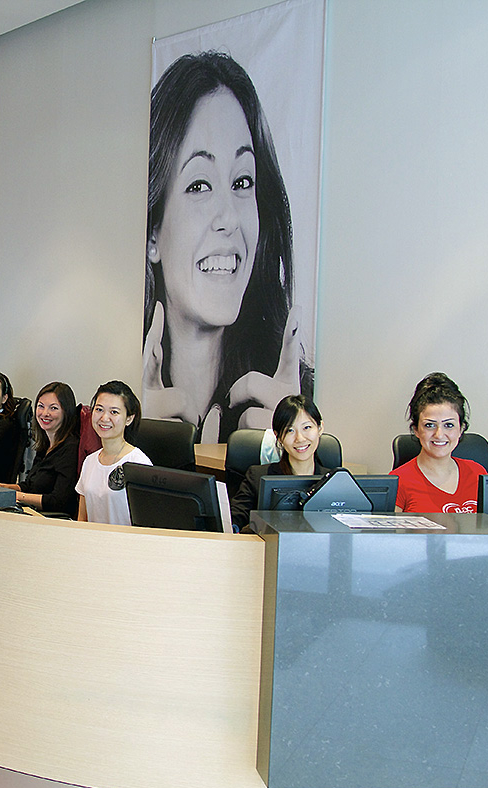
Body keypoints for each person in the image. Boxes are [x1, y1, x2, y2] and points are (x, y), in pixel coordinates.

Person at [142, 51, 312, 443]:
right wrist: (130, 433)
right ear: (153, 235)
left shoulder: (296, 396)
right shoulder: (122, 395)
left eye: (241, 182)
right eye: (199, 185)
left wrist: (295, 444)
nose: (229, 218)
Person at [229, 395, 327, 533]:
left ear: (320, 428)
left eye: (307, 427)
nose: (300, 438)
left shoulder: (334, 481)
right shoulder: (258, 477)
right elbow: (235, 518)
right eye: (290, 430)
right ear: (278, 437)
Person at [391, 373, 486, 513]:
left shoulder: (477, 473)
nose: (439, 434)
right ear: (416, 430)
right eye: (430, 425)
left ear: (461, 429)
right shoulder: (398, 482)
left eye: (449, 425)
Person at [0, 381, 81, 518]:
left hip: (52, 521)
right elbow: (30, 485)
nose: (45, 413)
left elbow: (59, 502)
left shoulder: (70, 448)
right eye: (41, 406)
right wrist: (3, 488)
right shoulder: (45, 444)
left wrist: (16, 496)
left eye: (53, 408)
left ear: (66, 412)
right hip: (33, 514)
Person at [77, 381, 152, 525]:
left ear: (129, 419)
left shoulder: (138, 462)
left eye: (114, 412)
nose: (104, 418)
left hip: (125, 539)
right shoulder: (90, 461)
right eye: (99, 409)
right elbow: (82, 519)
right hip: (92, 538)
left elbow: (149, 522)